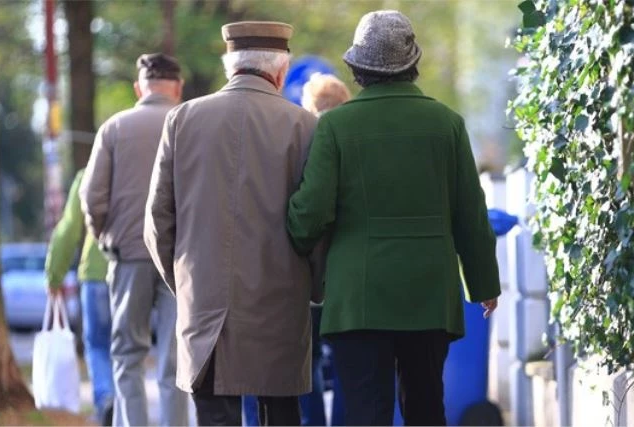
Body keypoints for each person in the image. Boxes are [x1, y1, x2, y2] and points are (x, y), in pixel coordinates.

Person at [286, 10, 501, 426]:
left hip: (357, 299)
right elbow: (470, 213)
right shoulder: (447, 124)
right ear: (413, 63)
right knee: (425, 406)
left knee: (366, 412)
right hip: (428, 295)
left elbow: (310, 211)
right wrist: (483, 284)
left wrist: (294, 236)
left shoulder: (336, 127)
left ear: (356, 67)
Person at [143, 21, 323, 427]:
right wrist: (315, 285)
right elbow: (316, 220)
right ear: (280, 71)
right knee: (280, 414)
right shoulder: (306, 126)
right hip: (281, 304)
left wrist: (185, 281)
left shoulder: (182, 120)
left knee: (214, 417)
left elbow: (157, 220)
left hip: (205, 308)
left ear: (229, 66)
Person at [79, 53, 188, 427]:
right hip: (180, 259)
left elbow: (92, 197)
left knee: (127, 355)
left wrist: (106, 239)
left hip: (129, 255)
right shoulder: (191, 123)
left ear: (139, 87)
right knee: (174, 359)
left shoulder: (114, 128)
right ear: (178, 86)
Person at [298, 73, 351, 427]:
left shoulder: (300, 139)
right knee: (350, 360)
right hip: (347, 271)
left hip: (304, 274)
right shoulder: (352, 139)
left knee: (308, 361)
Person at [45, 169, 114, 426]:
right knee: (127, 347)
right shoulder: (140, 169)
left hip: (95, 274)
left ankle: (106, 399)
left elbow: (69, 228)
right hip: (128, 271)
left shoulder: (88, 175)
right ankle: (125, 407)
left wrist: (54, 276)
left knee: (97, 345)